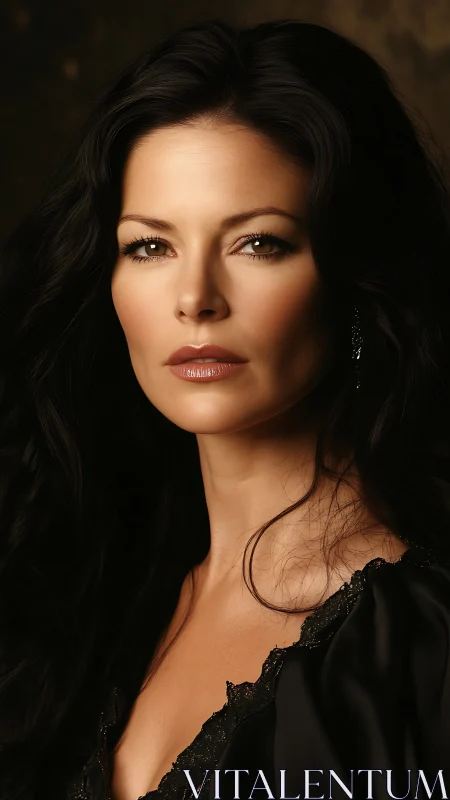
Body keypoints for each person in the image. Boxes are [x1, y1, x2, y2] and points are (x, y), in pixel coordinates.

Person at [0, 16, 450, 800]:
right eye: (149, 246)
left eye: (258, 243)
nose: (195, 299)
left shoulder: (418, 641)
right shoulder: (103, 590)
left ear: (353, 278)